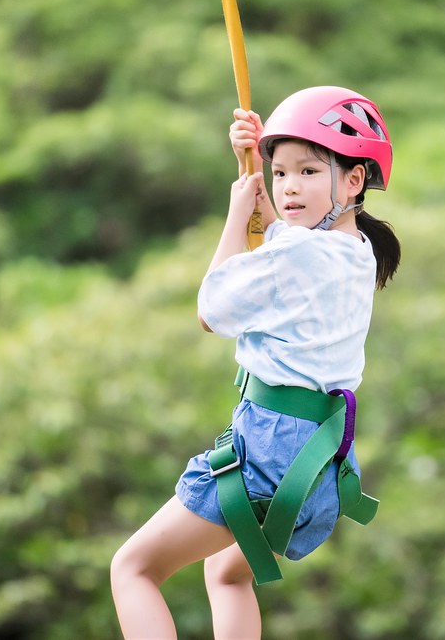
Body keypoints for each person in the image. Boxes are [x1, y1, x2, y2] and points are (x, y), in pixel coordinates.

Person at [110, 86, 400, 640]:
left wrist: (236, 211)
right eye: (281, 172)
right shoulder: (358, 249)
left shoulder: (298, 251)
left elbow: (212, 309)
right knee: (226, 573)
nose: (289, 187)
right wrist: (251, 164)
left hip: (270, 450)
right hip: (320, 464)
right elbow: (284, 239)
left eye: (308, 172)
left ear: (354, 180)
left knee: (133, 568)